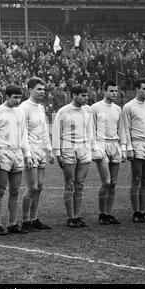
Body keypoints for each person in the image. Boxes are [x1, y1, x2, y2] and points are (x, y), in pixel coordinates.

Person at [0, 84, 33, 235]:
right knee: (0, 190)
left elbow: (23, 134)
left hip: (17, 153)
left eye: (19, 97)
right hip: (3, 152)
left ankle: (13, 224)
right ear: (7, 96)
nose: (18, 100)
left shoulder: (20, 112)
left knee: (15, 191)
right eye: (15, 97)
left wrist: (27, 154)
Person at [52, 84, 93, 228]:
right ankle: (70, 217)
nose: (85, 97)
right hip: (68, 148)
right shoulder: (63, 111)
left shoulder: (88, 110)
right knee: (69, 184)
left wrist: (90, 147)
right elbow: (56, 132)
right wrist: (57, 153)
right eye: (82, 95)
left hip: (83, 148)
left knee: (80, 184)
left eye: (86, 95)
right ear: (74, 95)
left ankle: (78, 215)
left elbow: (89, 130)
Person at [19, 77, 55, 232]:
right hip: (30, 151)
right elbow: (22, 133)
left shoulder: (40, 108)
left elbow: (44, 130)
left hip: (40, 151)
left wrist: (50, 150)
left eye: (43, 89)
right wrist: (27, 154)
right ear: (30, 90)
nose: (42, 92)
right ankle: (25, 220)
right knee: (32, 187)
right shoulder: (24, 107)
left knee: (39, 187)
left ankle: (34, 218)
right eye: (39, 89)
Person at [121, 78, 145, 222]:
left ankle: (144, 211)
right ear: (136, 89)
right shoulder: (129, 107)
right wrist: (129, 148)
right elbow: (126, 129)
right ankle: (136, 212)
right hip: (137, 145)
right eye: (144, 88)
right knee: (136, 179)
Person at [91, 80, 125, 225]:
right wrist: (95, 148)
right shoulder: (95, 108)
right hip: (101, 144)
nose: (114, 93)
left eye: (116, 91)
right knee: (106, 181)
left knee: (114, 183)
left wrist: (123, 148)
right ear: (104, 91)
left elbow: (121, 130)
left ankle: (109, 213)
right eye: (111, 91)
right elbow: (91, 130)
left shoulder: (118, 109)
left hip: (114, 145)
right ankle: (101, 214)